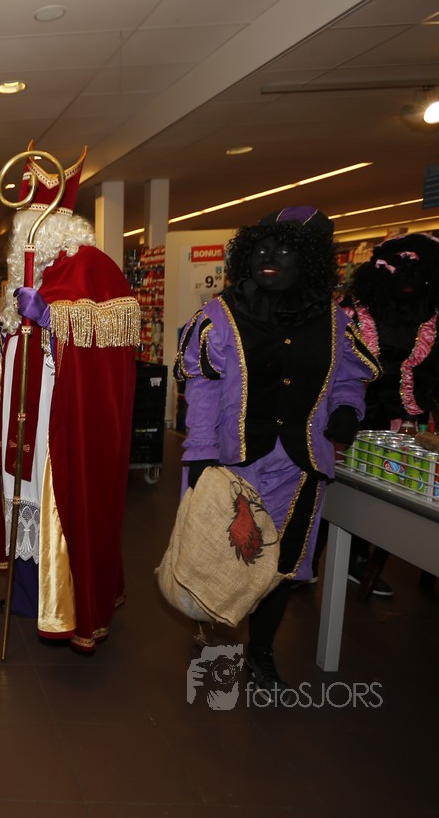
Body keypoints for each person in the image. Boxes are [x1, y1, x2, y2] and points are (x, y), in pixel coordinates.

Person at [175, 206, 379, 689]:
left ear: (309, 260)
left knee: (284, 562)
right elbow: (202, 387)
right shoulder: (221, 316)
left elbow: (348, 379)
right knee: (224, 554)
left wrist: (347, 409)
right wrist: (201, 455)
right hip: (232, 464)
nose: (269, 258)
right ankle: (212, 619)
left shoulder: (335, 322)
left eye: (284, 250)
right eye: (261, 249)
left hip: (299, 466)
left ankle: (261, 652)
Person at [0, 146, 141, 652]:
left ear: (59, 223)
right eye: (21, 225)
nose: (24, 235)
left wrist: (53, 318)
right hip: (25, 420)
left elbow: (110, 345)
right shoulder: (30, 277)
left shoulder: (90, 266)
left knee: (57, 503)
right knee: (23, 498)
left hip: (60, 422)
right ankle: (27, 594)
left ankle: (66, 607)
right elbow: (21, 341)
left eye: (32, 222)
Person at [336, 232, 439, 596]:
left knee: (393, 492)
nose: (410, 278)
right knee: (341, 490)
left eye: (419, 270)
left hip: (408, 424)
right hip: (353, 416)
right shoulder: (354, 311)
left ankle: (362, 560)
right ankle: (323, 558)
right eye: (402, 268)